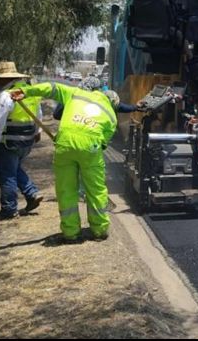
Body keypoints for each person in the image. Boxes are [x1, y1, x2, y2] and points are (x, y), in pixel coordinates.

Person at [10, 82, 120, 243]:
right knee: (96, 190)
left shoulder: (76, 93)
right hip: (90, 148)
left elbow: (51, 87)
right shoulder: (111, 115)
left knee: (66, 189)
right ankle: (100, 230)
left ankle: (70, 233)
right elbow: (103, 144)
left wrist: (25, 92)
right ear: (112, 103)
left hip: (64, 145)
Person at [0, 61, 44, 220]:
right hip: (26, 142)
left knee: (6, 174)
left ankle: (9, 209)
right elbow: (38, 113)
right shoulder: (28, 92)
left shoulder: (6, 95)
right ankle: (32, 194)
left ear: (4, 79)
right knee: (14, 169)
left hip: (8, 142)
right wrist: (38, 131)